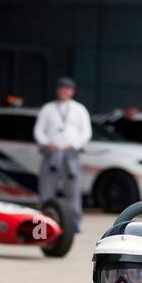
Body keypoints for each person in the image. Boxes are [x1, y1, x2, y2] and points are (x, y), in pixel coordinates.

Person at [34, 76, 91, 229]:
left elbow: (86, 132)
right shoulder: (48, 109)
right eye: (61, 89)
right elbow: (39, 130)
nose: (64, 92)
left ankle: (74, 223)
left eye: (67, 89)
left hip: (71, 154)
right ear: (57, 90)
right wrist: (46, 143)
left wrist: (75, 144)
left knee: (73, 191)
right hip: (52, 154)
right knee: (46, 189)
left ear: (72, 92)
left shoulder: (79, 109)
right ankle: (42, 225)